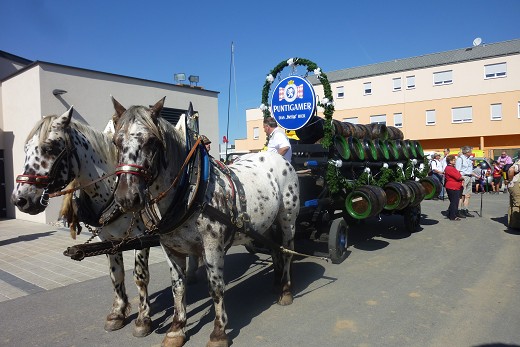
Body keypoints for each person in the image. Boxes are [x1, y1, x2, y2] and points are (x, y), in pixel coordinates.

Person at [455, 146, 475, 218]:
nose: (471, 153)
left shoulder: (469, 159)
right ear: (467, 152)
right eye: (470, 151)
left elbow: (470, 170)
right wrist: (461, 179)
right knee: (461, 195)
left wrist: (476, 176)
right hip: (464, 177)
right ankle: (459, 210)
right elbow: (458, 170)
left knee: (468, 195)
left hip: (469, 177)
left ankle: (465, 210)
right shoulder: (460, 159)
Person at [444, 154, 464, 221]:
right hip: (452, 186)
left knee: (454, 201)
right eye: (453, 160)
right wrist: (462, 178)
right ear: (450, 161)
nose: (455, 161)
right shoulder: (450, 168)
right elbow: (458, 177)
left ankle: (450, 214)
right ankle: (453, 216)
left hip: (454, 186)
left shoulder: (451, 168)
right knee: (454, 202)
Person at [506, 159, 520, 229]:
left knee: (512, 204)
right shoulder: (519, 163)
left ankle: (511, 223)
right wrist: (510, 180)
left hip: (513, 185)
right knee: (517, 204)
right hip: (516, 184)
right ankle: (516, 225)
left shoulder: (517, 161)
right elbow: (511, 170)